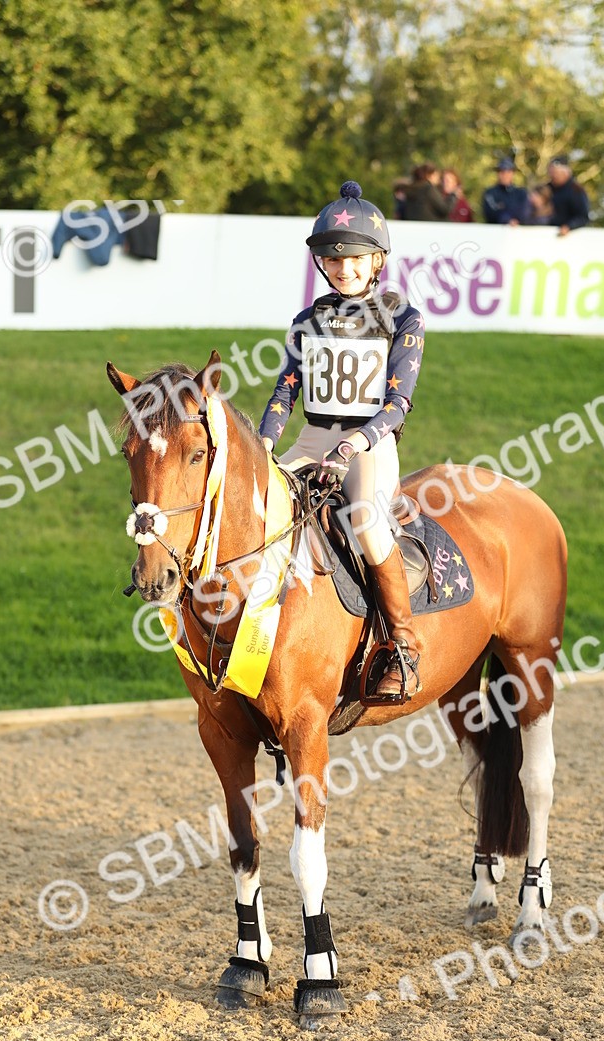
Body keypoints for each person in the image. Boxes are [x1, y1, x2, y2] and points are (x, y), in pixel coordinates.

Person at [259, 181, 425, 700]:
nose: (343, 269)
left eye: (354, 259)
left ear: (376, 261)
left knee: (369, 525)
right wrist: (264, 445)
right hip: (312, 435)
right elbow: (286, 390)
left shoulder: (403, 319)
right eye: (332, 260)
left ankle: (403, 645)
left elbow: (397, 406)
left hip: (369, 443)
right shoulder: (307, 322)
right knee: (260, 505)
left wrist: (351, 448)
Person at [546, 156, 590, 235]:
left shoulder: (576, 190)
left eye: (557, 173)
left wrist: (569, 226)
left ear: (566, 173)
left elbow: (582, 217)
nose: (553, 176)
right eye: (552, 173)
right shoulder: (546, 189)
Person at [482, 157, 530, 225]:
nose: (505, 175)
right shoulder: (490, 193)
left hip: (518, 232)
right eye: (502, 172)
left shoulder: (521, 193)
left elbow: (525, 212)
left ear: (513, 173)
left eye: (508, 172)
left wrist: (514, 220)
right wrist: (506, 220)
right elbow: (491, 213)